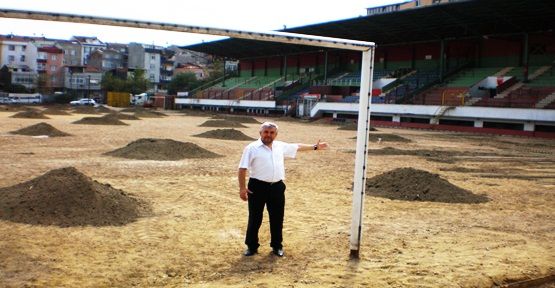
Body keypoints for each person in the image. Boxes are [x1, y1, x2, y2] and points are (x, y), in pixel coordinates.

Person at [238, 121, 328, 257]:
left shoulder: (279, 146)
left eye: (272, 132)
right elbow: (242, 168)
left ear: (276, 134)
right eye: (266, 132)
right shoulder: (251, 148)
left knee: (277, 218)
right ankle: (251, 246)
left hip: (277, 187)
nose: (268, 135)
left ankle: (277, 246)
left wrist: (314, 147)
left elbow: (296, 146)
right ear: (260, 133)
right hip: (257, 187)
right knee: (255, 217)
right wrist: (242, 188)